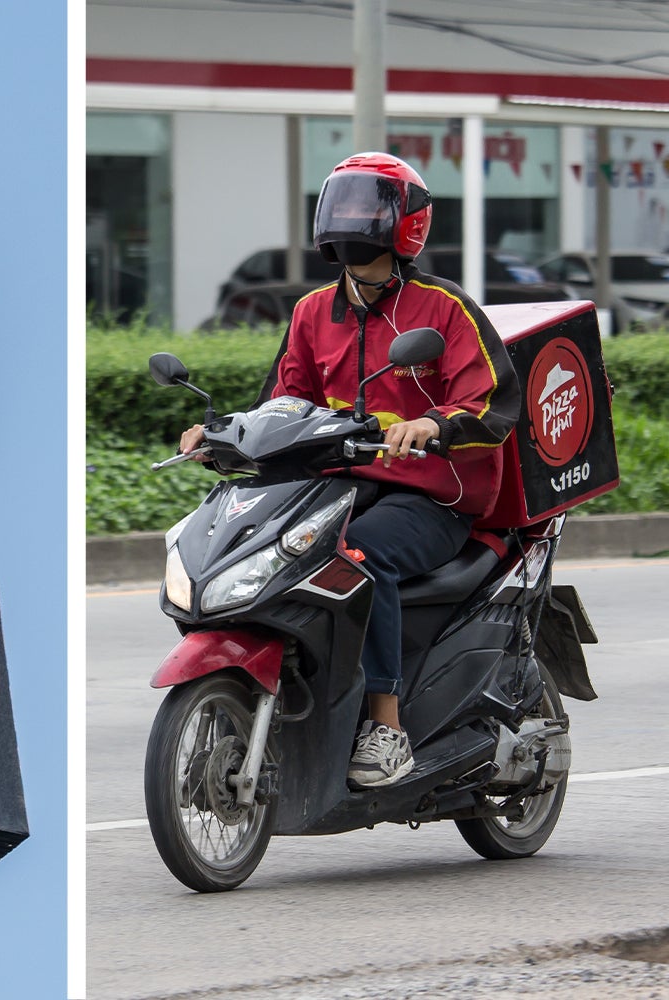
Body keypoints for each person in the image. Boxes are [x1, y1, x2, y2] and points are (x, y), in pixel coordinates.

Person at [179, 151, 521, 787]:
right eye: (344, 202)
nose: (352, 217)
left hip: (432, 497)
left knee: (357, 557)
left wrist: (434, 426)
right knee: (275, 549)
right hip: (337, 486)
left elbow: (494, 404)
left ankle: (386, 728)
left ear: (404, 223)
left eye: (369, 205)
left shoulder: (444, 309)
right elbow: (282, 403)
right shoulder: (313, 312)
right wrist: (222, 432)